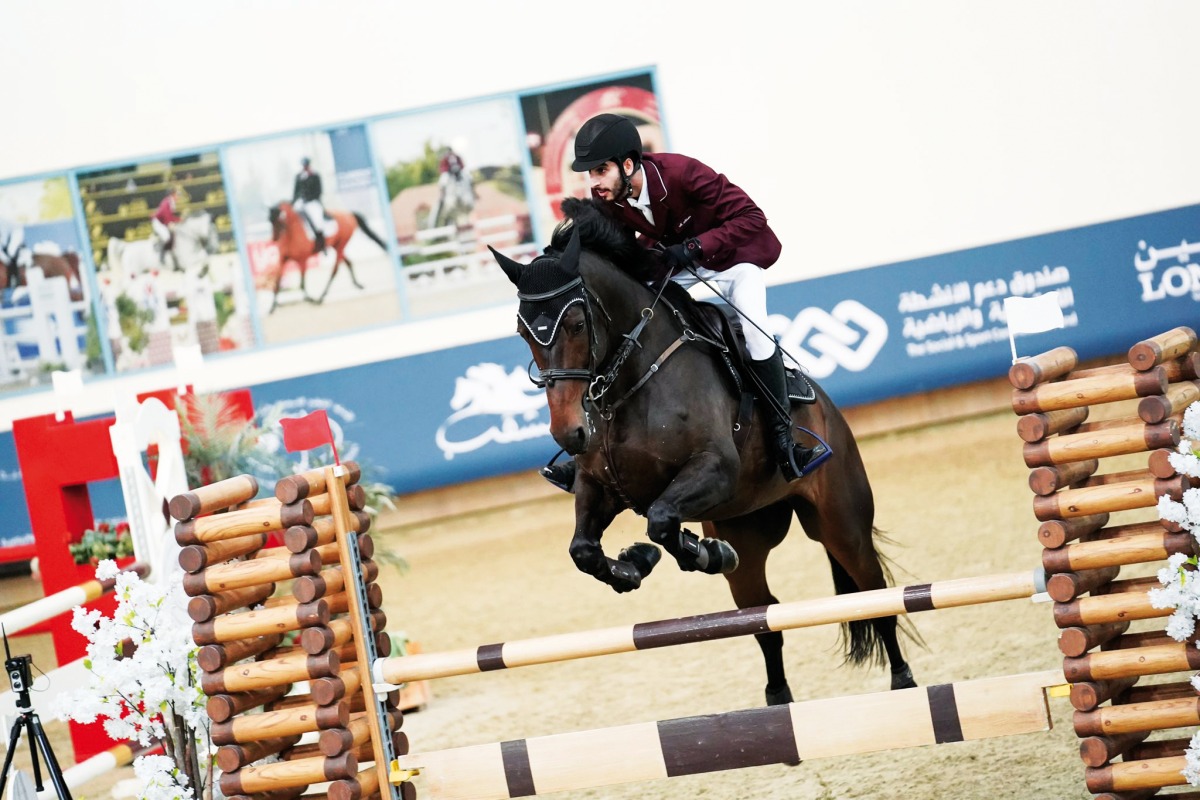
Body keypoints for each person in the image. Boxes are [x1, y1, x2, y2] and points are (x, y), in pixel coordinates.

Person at [540, 113, 828, 492]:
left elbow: (751, 217)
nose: (594, 183)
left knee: (757, 337)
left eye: (600, 171)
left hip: (733, 262)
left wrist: (696, 247)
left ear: (628, 165)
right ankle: (587, 460)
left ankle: (786, 443)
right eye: (589, 174)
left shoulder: (684, 174)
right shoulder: (608, 196)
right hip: (675, 267)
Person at [293, 156, 328, 253]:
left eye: (306, 165)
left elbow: (319, 191)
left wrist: (309, 199)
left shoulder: (315, 175)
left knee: (317, 222)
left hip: (313, 202)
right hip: (301, 202)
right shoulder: (299, 176)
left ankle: (322, 244)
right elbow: (296, 191)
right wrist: (293, 202)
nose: (305, 167)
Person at [151, 186, 182, 271]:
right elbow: (168, 217)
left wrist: (178, 220)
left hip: (163, 221)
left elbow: (170, 217)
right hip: (158, 222)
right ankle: (161, 257)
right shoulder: (167, 202)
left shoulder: (171, 202)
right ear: (172, 194)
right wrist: (179, 220)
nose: (179, 196)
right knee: (167, 237)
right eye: (177, 194)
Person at [0, 217, 31, 288]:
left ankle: (16, 280)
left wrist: (5, 258)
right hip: (5, 241)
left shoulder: (4, 223)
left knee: (11, 252)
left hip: (15, 233)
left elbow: (4, 242)